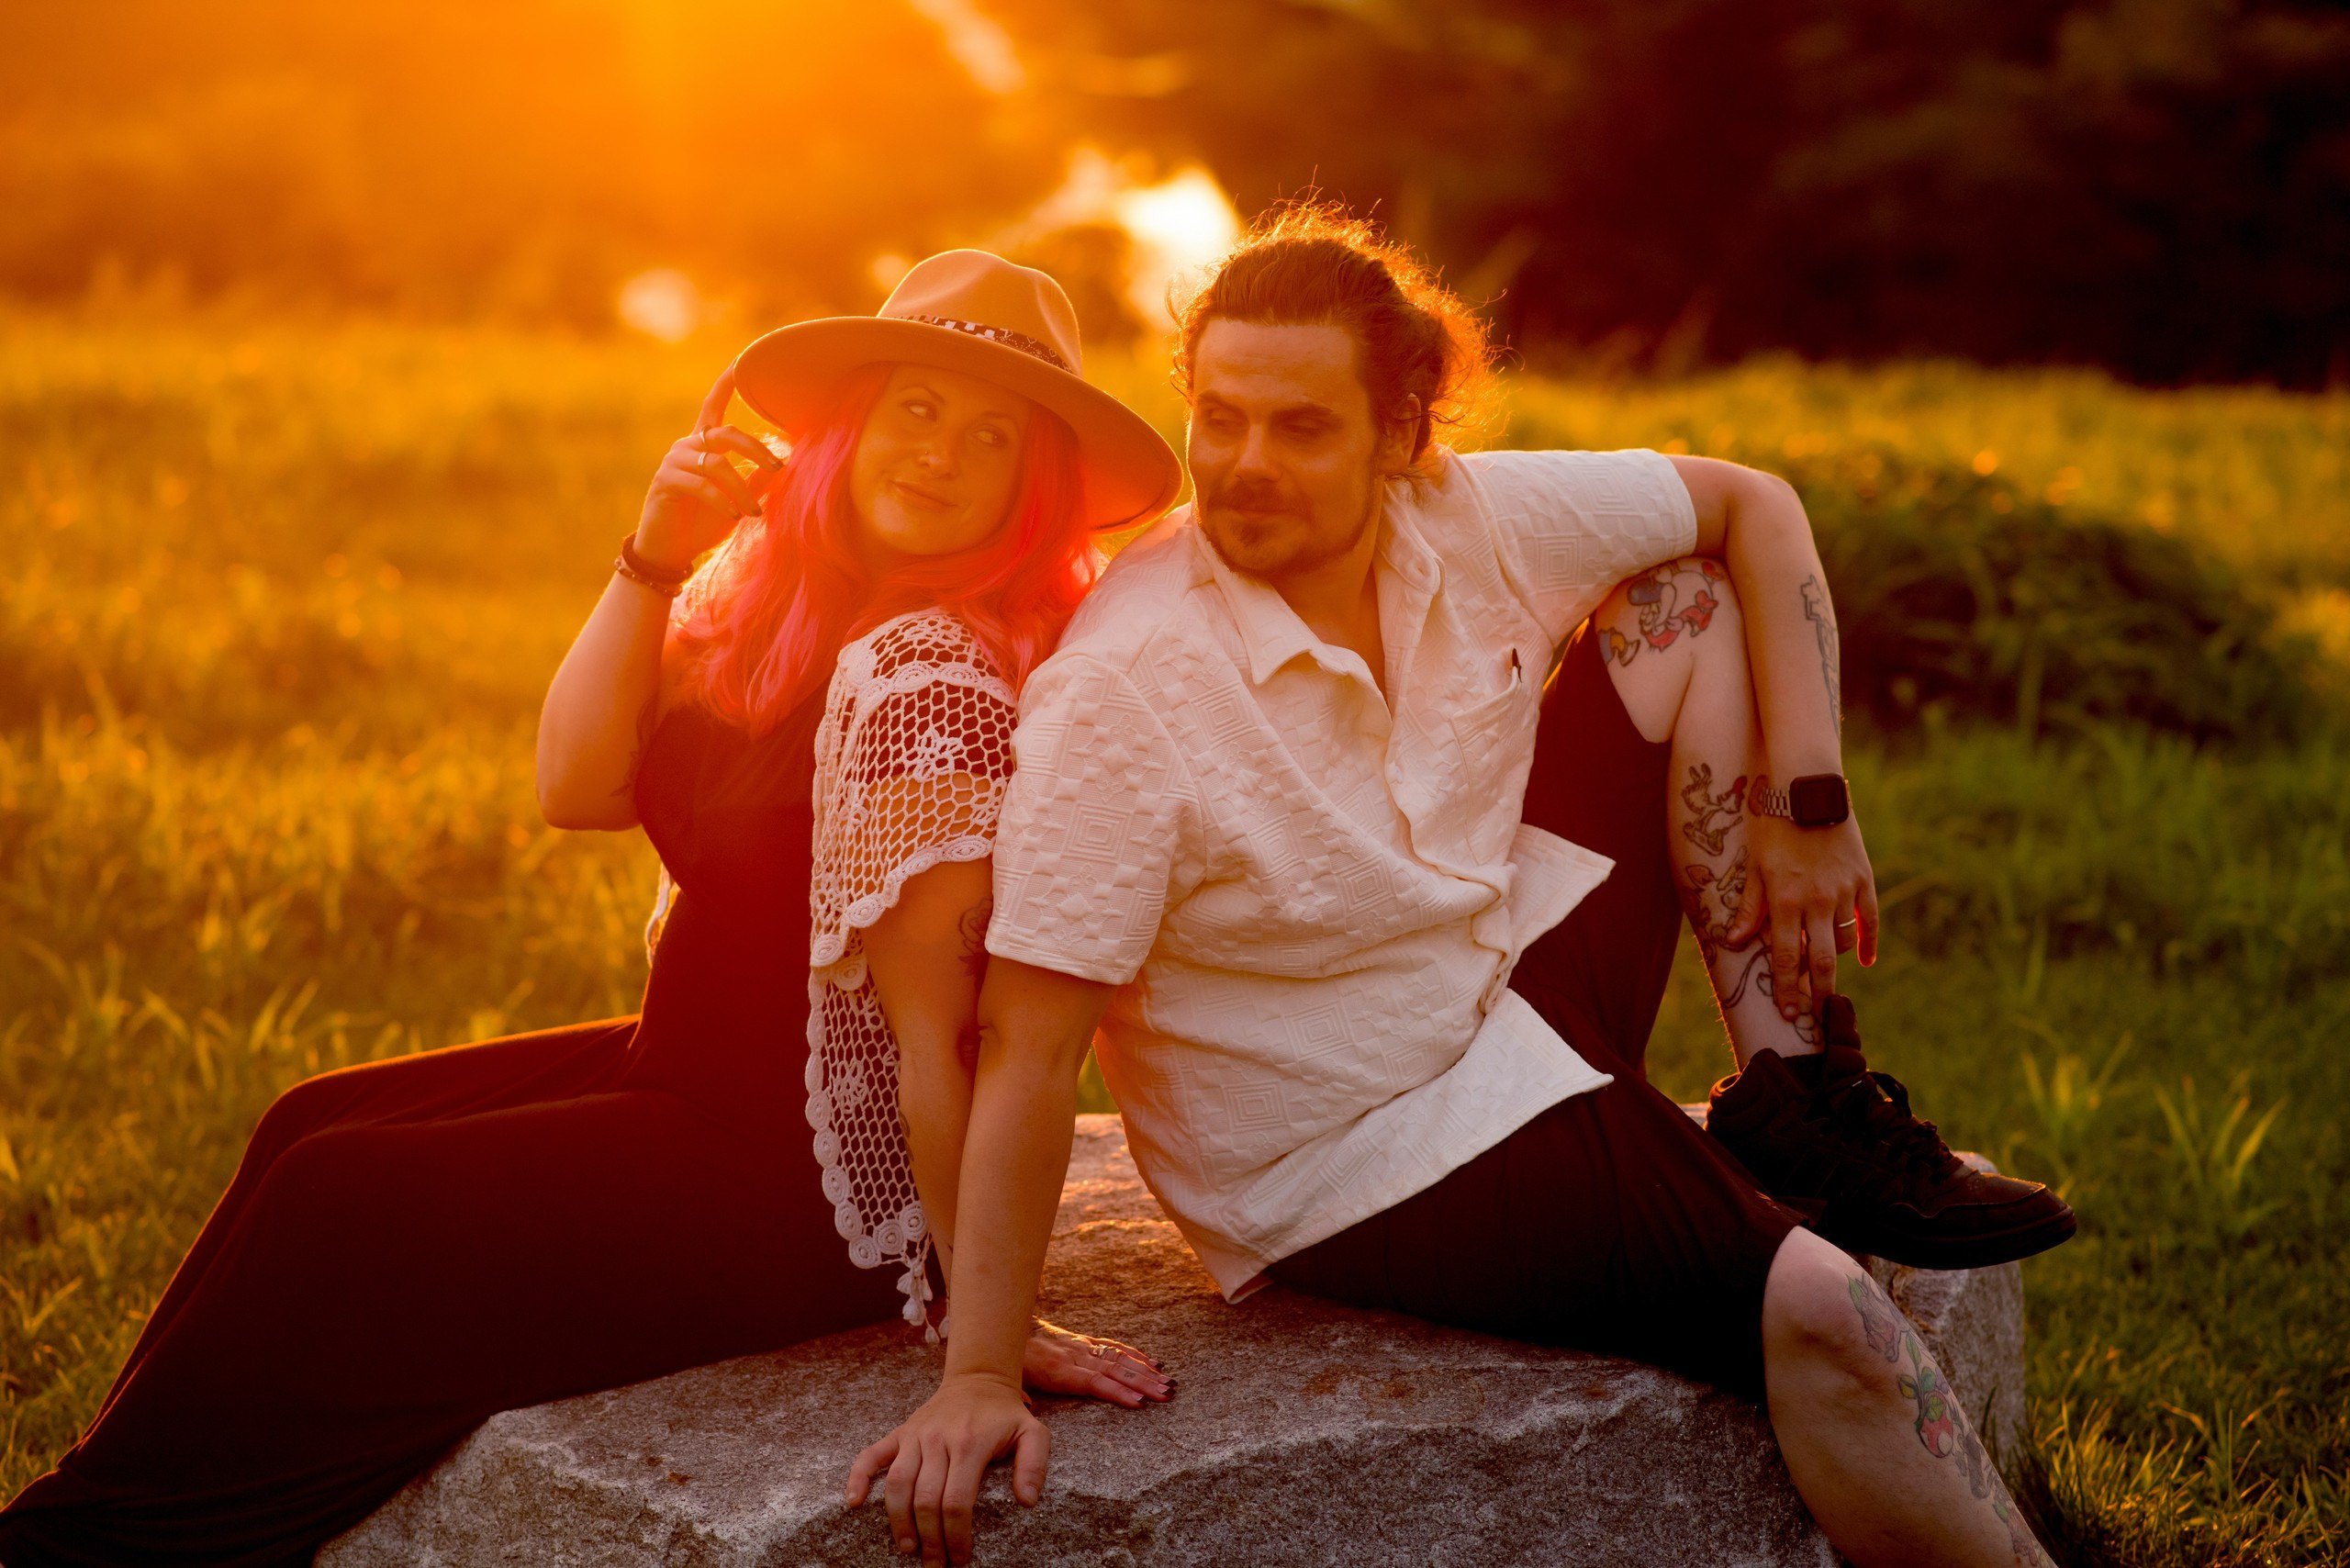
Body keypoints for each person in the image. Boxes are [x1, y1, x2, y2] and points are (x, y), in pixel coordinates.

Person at [849, 208, 2074, 1567]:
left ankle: (1788, 1092)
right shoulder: (1126, 689)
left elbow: (1750, 504)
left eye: (1301, 427)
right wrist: (978, 1372)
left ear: (1402, 431)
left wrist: (1809, 802)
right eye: (1220, 419)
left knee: (1682, 602)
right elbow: (1028, 1046)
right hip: (1355, 1139)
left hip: (1483, 966)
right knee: (1827, 1315)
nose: (1246, 467)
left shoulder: (1466, 512)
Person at [0, 251, 1181, 1568]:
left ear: (1034, 488)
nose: (940, 453)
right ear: (844, 430)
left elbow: (930, 1045)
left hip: (797, 1187)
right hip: (677, 1082)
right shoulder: (794, 611)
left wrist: (978, 1347)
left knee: (340, 1198)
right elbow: (575, 785)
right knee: (307, 1122)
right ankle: (99, 1504)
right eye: (914, 406)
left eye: (992, 434)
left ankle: (85, 1549)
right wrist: (653, 558)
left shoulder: (929, 676)